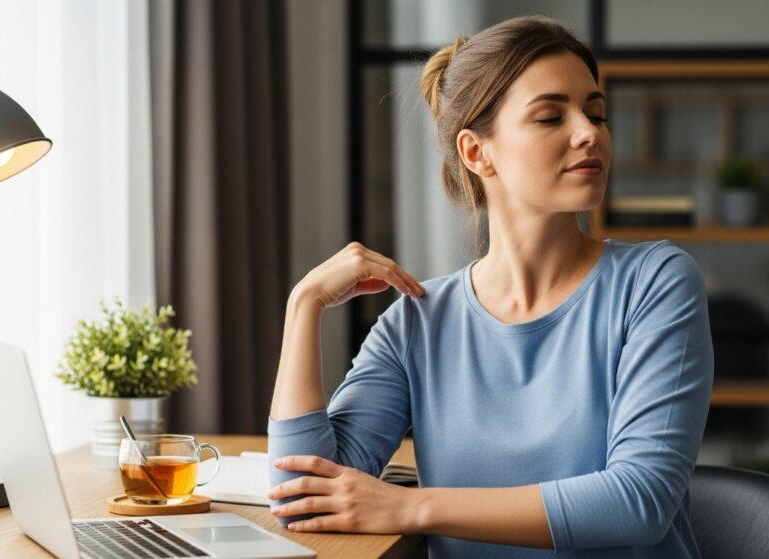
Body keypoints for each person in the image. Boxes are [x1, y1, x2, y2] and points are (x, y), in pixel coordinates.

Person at [266, 15, 714, 559]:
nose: (589, 132)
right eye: (551, 116)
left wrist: (411, 507)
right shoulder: (417, 319)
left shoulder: (656, 283)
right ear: (477, 152)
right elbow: (303, 498)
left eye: (595, 112)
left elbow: (639, 501)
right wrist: (304, 304)